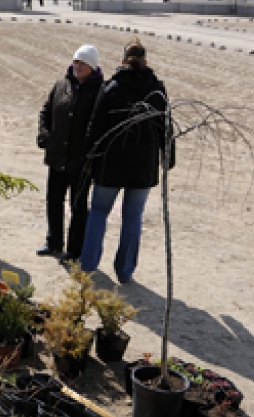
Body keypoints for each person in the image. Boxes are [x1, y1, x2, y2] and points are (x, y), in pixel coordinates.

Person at [78, 39, 173, 283]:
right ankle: (125, 271)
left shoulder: (112, 87)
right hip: (144, 166)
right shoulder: (158, 90)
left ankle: (88, 265)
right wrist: (168, 159)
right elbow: (166, 128)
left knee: (98, 212)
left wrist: (89, 157)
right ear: (146, 62)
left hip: (111, 163)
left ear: (123, 61)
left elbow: (95, 125)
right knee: (133, 217)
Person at [36, 45, 104, 260]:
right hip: (57, 156)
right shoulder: (61, 85)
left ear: (92, 67)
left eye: (82, 63)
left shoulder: (100, 91)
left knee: (78, 207)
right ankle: (53, 242)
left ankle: (75, 249)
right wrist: (44, 134)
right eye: (76, 61)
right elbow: (46, 112)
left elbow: (101, 125)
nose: (77, 66)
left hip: (81, 161)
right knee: (54, 201)